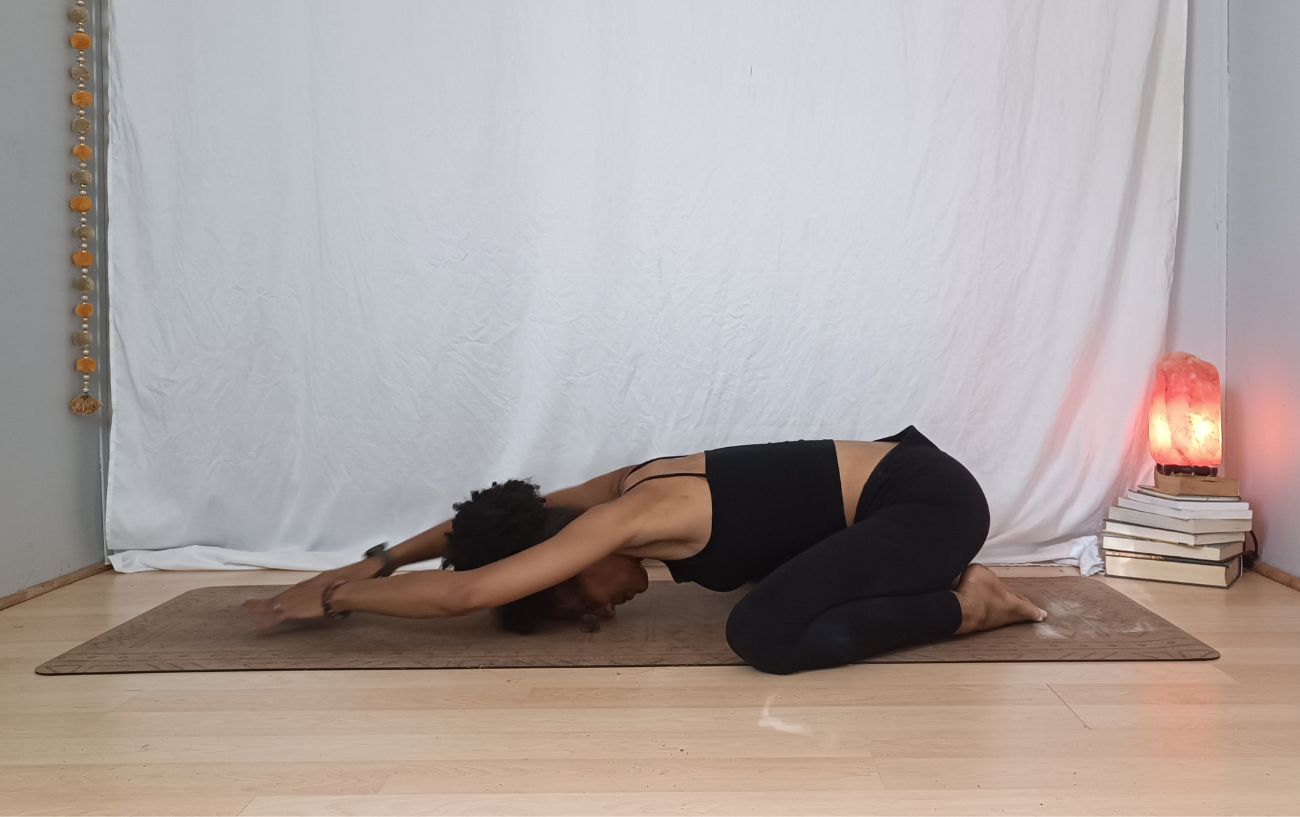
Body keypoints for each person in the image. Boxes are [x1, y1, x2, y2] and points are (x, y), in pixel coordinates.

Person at [242, 426, 1047, 674]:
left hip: (927, 502)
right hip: (904, 489)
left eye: (570, 595)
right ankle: (932, 577)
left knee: (761, 632)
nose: (595, 611)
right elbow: (499, 517)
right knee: (768, 592)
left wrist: (336, 595)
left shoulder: (624, 516)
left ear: (565, 552)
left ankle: (967, 603)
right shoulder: (612, 494)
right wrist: (384, 557)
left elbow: (466, 590)